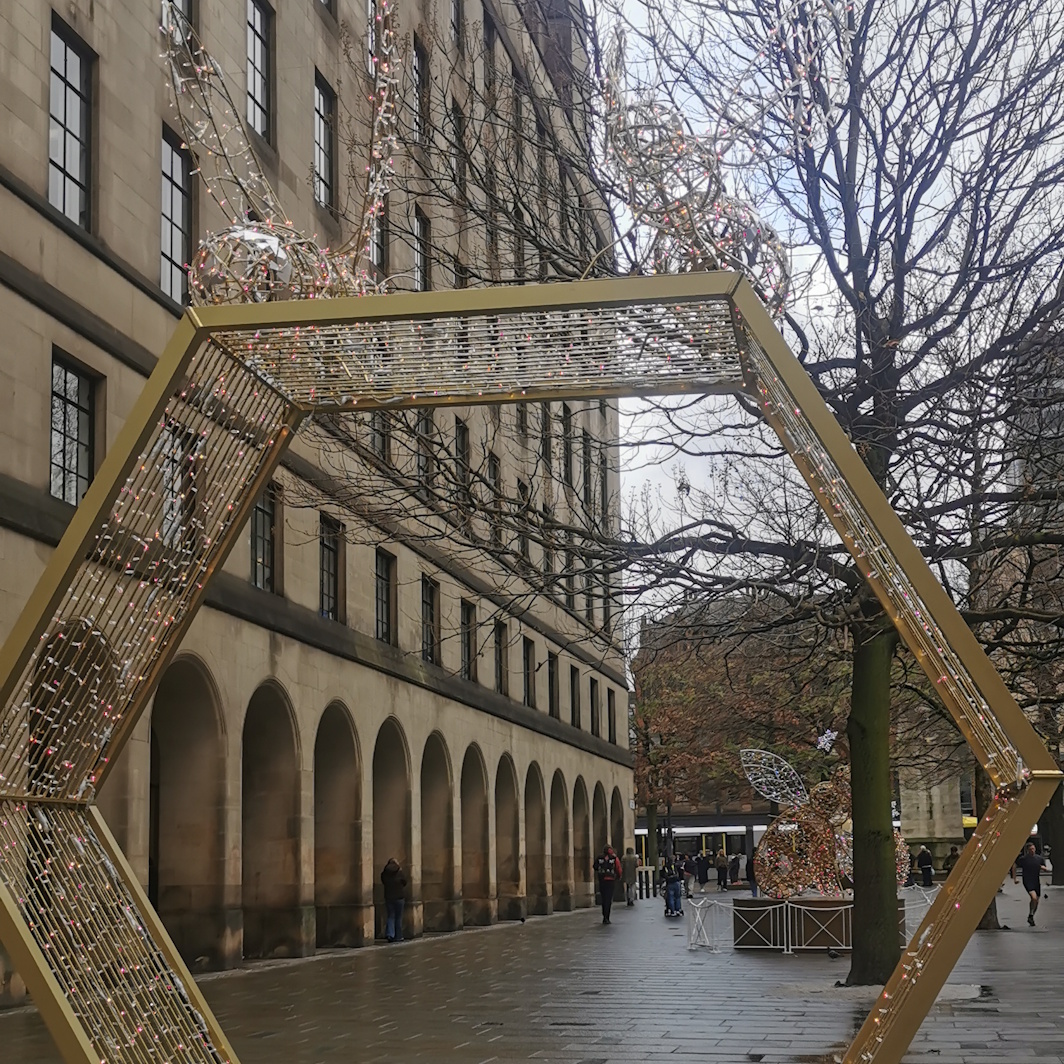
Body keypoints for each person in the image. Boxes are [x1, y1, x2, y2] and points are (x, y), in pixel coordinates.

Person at [1012, 841, 1047, 926]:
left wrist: (1043, 868)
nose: (1032, 850)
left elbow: (1044, 867)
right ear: (1027, 850)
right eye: (1030, 849)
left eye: (1033, 849)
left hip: (1036, 881)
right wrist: (1015, 878)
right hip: (1027, 880)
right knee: (1033, 897)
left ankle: (1031, 915)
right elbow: (1014, 865)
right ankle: (1031, 915)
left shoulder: (1039, 858)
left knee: (1036, 900)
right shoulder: (1023, 859)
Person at [380, 857, 407, 942]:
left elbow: (383, 882)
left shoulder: (384, 873)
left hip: (389, 897)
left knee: (390, 916)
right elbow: (405, 882)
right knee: (398, 917)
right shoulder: (399, 872)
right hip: (399, 897)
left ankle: (390, 934)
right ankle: (398, 936)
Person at [594, 845, 622, 924]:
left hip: (602, 880)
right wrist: (618, 876)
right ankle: (607, 917)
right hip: (610, 880)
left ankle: (604, 915)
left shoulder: (599, 858)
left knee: (604, 898)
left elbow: (595, 866)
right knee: (608, 899)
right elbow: (618, 868)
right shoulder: (614, 858)